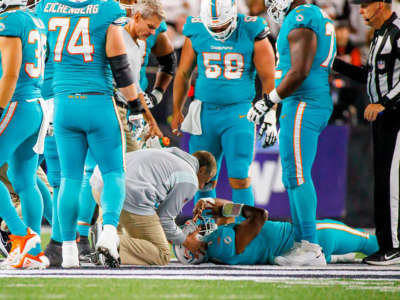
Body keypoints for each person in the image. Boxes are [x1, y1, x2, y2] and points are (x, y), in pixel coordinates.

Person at [41, 0, 142, 268]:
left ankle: (69, 250)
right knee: (113, 172)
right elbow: (120, 65)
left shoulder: (47, 8)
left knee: (69, 179)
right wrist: (136, 107)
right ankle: (108, 232)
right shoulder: (107, 9)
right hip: (98, 102)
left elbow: (42, 60)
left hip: (63, 104)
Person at [75, 0, 166, 263]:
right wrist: (147, 117)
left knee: (93, 175)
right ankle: (92, 235)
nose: (152, 32)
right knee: (108, 174)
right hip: (114, 108)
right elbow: (127, 84)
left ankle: (92, 235)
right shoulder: (120, 37)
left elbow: (136, 85)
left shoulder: (137, 40)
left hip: (114, 107)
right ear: (135, 17)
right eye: (150, 26)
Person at [247, 0, 337, 266]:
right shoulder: (311, 15)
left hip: (304, 101)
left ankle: (310, 246)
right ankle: (304, 243)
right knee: (292, 174)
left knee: (297, 174)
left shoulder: (301, 16)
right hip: (303, 101)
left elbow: (299, 71)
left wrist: (268, 101)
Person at [171, 0, 276, 208]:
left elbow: (269, 77)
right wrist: (177, 109)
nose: (218, 30)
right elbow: (183, 73)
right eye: (214, 26)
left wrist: (270, 113)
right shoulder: (197, 28)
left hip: (238, 113)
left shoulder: (251, 29)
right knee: (201, 178)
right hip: (204, 112)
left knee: (239, 176)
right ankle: (205, 231)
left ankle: (242, 230)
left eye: (222, 25)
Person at [332, 0, 400, 265]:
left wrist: (385, 103)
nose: (360, 10)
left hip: (395, 116)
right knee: (382, 180)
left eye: (365, 5)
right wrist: (333, 65)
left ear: (380, 4)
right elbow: (369, 76)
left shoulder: (396, 33)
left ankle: (393, 246)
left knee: (389, 182)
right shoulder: (379, 36)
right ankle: (387, 244)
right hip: (383, 118)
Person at [89, 148, 217, 267]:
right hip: (128, 196)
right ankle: (107, 242)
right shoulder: (190, 178)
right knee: (162, 254)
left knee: (134, 236)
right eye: (207, 181)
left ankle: (107, 234)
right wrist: (187, 242)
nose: (203, 186)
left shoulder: (170, 154)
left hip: (100, 184)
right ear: (202, 170)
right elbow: (164, 219)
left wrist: (171, 235)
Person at [174, 198, 379, 265]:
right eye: (189, 233)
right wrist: (221, 208)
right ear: (191, 251)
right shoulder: (219, 243)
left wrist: (214, 205)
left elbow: (230, 224)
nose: (193, 226)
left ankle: (338, 257)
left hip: (294, 251)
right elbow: (260, 215)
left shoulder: (217, 250)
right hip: (312, 237)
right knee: (371, 243)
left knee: (352, 253)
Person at [0, 0, 48, 269]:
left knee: (25, 181)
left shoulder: (10, 22)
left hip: (16, 104)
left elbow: (10, 73)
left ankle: (21, 235)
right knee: (25, 181)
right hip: (35, 106)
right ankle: (34, 252)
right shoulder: (35, 20)